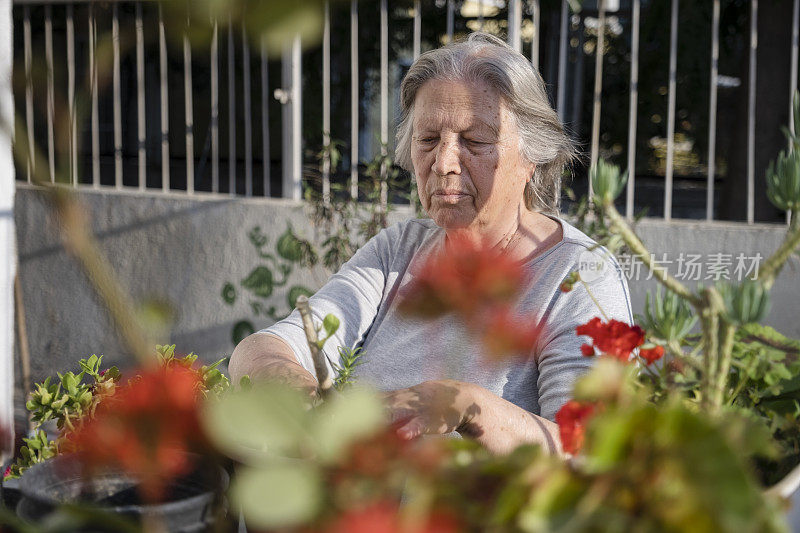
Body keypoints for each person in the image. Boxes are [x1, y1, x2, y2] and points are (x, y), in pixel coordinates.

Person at [229, 32, 632, 456]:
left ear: (533, 155)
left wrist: (468, 407)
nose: (443, 163)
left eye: (474, 141)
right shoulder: (400, 249)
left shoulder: (580, 275)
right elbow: (260, 349)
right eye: (428, 140)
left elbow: (589, 454)